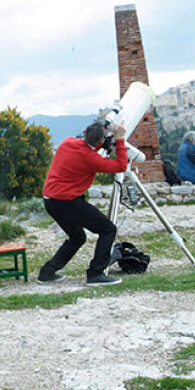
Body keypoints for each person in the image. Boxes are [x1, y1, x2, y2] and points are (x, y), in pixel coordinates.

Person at [37, 121, 128, 287]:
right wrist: (120, 139)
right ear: (100, 140)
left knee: (77, 237)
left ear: (84, 131)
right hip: (67, 202)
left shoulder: (67, 142)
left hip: (50, 200)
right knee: (108, 229)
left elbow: (86, 149)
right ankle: (95, 274)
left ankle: (47, 272)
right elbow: (121, 165)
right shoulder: (91, 159)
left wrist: (103, 144)